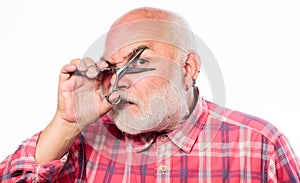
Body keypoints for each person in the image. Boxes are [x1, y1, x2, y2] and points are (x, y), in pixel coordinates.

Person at [0, 7, 299, 182]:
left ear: (188, 67)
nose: (118, 82)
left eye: (139, 61)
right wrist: (66, 123)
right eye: (112, 67)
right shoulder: (82, 144)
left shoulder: (261, 147)